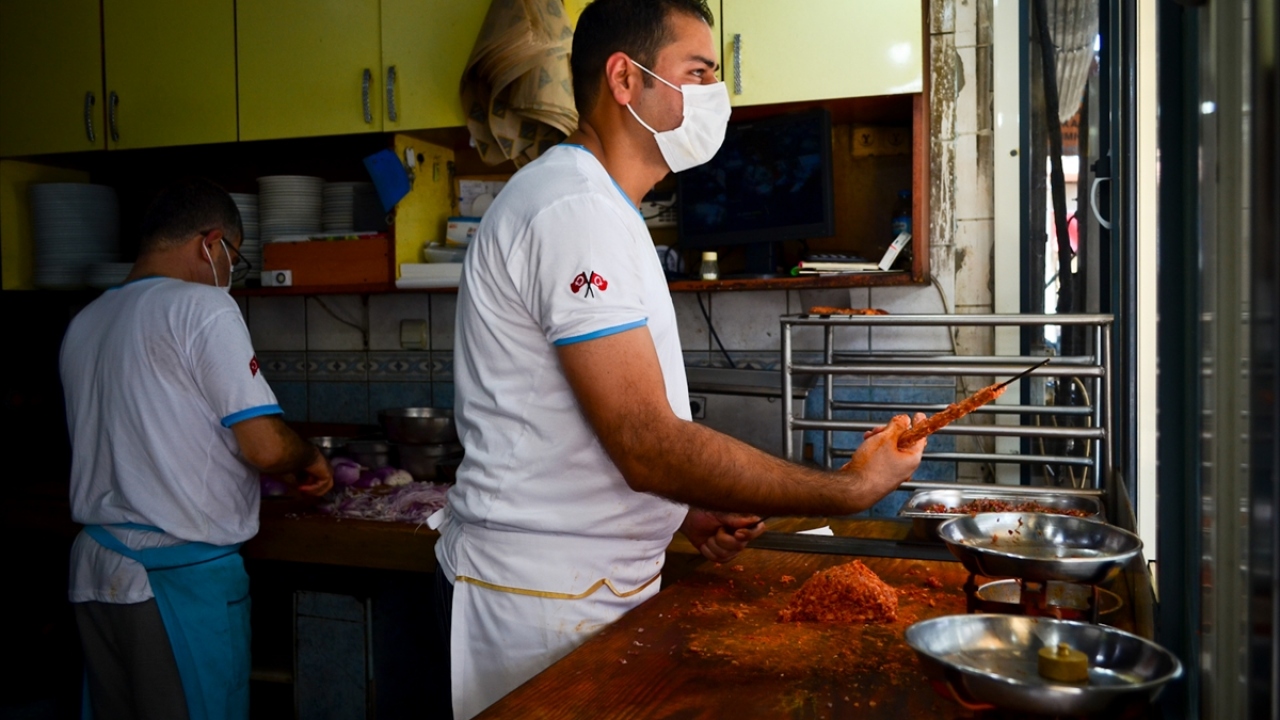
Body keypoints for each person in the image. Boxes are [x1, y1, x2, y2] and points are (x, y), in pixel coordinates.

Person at [429, 1, 927, 717]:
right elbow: (643, 442)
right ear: (624, 81)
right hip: (537, 600)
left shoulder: (601, 208)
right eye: (697, 73)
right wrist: (845, 489)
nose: (712, 98)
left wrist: (680, 512)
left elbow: (597, 440)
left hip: (584, 586)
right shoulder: (574, 212)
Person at [60, 178, 333, 720]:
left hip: (95, 571)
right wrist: (309, 458)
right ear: (211, 245)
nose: (231, 274)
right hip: (178, 580)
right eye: (234, 258)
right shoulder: (202, 306)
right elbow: (263, 447)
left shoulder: (85, 322)